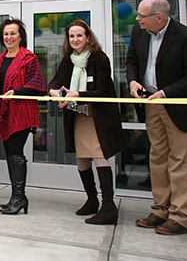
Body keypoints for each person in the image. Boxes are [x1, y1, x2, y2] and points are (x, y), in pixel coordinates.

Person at [126, 0, 187, 235]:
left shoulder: (186, 38)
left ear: (159, 18)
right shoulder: (139, 32)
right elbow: (131, 60)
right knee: (158, 158)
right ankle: (160, 210)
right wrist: (132, 80)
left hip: (178, 108)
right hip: (151, 105)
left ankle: (180, 217)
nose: (138, 19)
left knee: (180, 161)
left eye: (142, 16)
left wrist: (164, 92)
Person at [48, 20, 123, 225]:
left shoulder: (99, 59)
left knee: (98, 155)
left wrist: (77, 94)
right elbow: (55, 82)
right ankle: (92, 200)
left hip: (97, 116)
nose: (75, 40)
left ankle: (109, 206)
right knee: (82, 160)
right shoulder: (68, 59)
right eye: (71, 36)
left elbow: (104, 91)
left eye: (79, 35)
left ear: (88, 37)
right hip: (77, 114)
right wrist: (54, 91)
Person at [0, 18, 46, 215]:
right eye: (6, 34)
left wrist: (16, 92)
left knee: (15, 152)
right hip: (3, 111)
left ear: (21, 36)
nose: (9, 37)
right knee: (10, 152)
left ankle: (19, 197)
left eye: (13, 33)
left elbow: (37, 85)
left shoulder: (29, 58)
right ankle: (17, 196)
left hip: (21, 112)